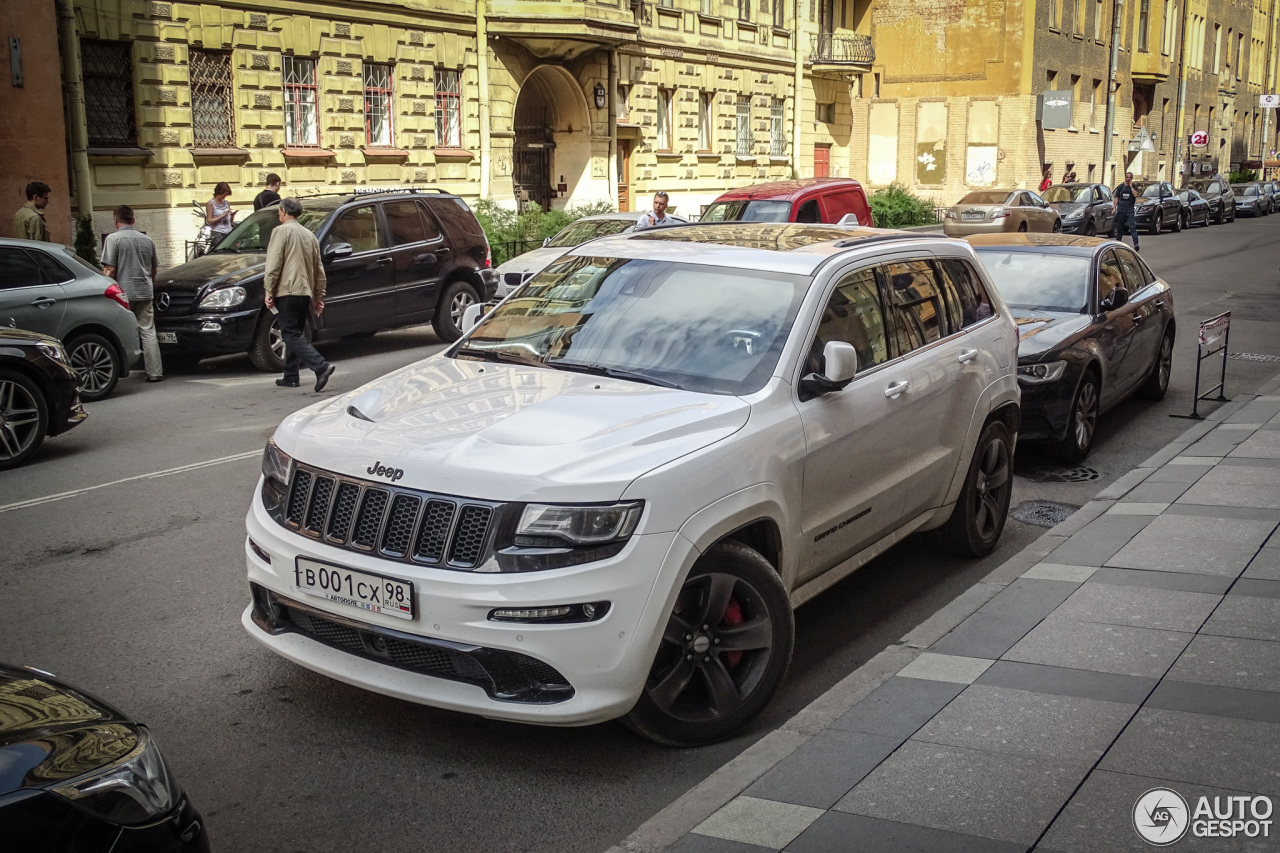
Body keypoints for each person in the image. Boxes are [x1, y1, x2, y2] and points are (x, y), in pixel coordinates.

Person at [263, 197, 335, 392]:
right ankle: (291, 375)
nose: (279, 214)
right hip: (305, 291)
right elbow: (318, 268)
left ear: (285, 211)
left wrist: (268, 290)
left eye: (279, 211)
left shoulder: (280, 232)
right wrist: (318, 295)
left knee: (290, 332)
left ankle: (321, 366)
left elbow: (274, 264)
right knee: (296, 331)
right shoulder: (309, 234)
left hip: (287, 289)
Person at [102, 205, 163, 382]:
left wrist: (103, 287)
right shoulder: (147, 240)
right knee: (148, 331)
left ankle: (119, 371)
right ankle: (155, 372)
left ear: (115, 220)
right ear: (133, 220)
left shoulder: (113, 239)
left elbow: (110, 269)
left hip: (123, 293)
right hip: (145, 291)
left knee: (121, 330)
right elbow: (153, 270)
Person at [1112, 171, 1140, 251]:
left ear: (1132, 178)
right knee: (1119, 228)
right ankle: (1118, 244)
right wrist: (1114, 208)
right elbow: (1116, 198)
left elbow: (1136, 195)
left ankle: (1136, 244)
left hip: (1129, 211)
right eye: (1127, 177)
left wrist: (1131, 187)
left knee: (1132, 228)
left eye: (1130, 177)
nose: (1128, 179)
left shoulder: (1134, 186)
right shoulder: (1120, 187)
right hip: (1121, 210)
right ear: (1125, 178)